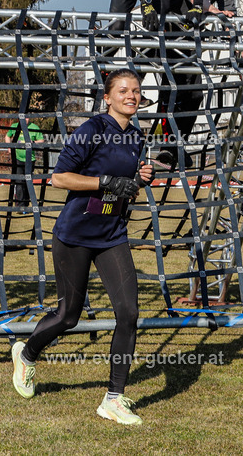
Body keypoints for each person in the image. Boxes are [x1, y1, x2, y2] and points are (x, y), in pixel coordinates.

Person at [10, 69, 154, 425]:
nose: (131, 96)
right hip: (74, 236)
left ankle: (113, 399)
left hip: (112, 235)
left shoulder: (136, 137)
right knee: (68, 316)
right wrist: (104, 181)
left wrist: (138, 180)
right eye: (123, 90)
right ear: (108, 97)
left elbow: (124, 185)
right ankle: (27, 355)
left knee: (129, 313)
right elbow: (59, 178)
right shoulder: (92, 129)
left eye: (136, 91)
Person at [155, 0, 237, 166]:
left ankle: (178, 146)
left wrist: (235, 42)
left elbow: (231, 14)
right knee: (171, 91)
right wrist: (212, 9)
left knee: (195, 94)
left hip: (190, 42)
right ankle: (166, 148)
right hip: (167, 35)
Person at [5, 116, 44, 209]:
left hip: (30, 159)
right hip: (17, 158)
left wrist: (33, 142)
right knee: (18, 181)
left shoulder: (34, 128)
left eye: (27, 118)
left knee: (27, 181)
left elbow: (41, 140)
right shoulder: (14, 126)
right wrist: (9, 146)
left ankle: (26, 203)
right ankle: (20, 205)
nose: (25, 119)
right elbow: (7, 136)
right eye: (24, 118)